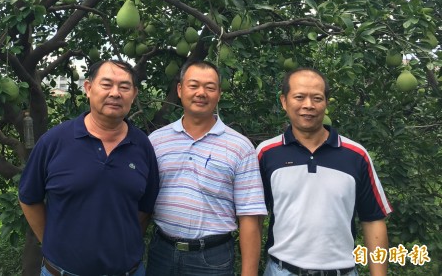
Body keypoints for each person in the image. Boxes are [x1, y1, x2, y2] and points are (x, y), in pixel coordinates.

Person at [18, 60, 160, 276]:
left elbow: (145, 208)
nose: (115, 93)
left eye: (124, 87)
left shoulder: (142, 146)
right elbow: (29, 197)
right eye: (106, 84)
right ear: (88, 88)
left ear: (134, 94)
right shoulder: (54, 141)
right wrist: (53, 241)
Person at [257, 68, 392, 276]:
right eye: (299, 97)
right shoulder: (266, 153)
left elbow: (373, 220)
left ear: (326, 103)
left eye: (317, 98)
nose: (308, 105)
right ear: (284, 101)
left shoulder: (356, 155)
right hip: (281, 270)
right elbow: (254, 218)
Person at [147, 60, 267, 276]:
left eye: (210, 87)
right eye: (193, 86)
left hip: (212, 258)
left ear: (219, 94)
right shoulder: (156, 141)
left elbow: (250, 215)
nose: (201, 93)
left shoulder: (240, 147)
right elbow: (143, 203)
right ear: (180, 90)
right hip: (161, 252)